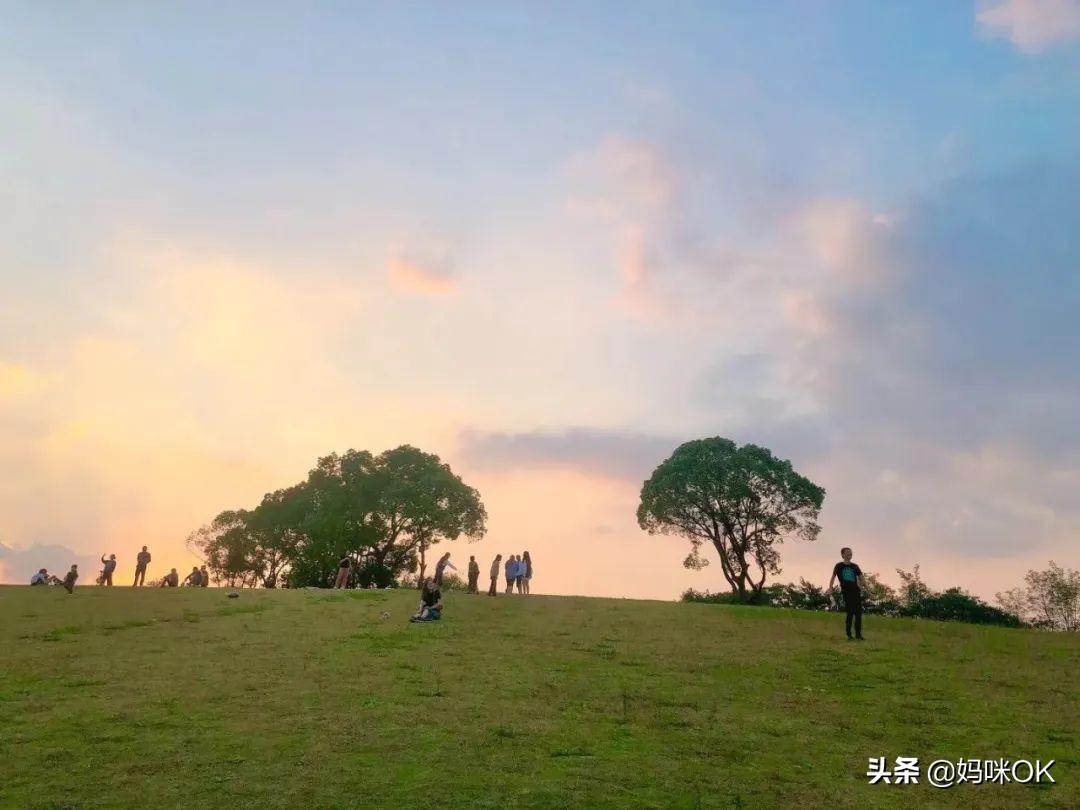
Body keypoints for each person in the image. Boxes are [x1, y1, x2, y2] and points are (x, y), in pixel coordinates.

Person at [828, 547, 866, 640]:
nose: (850, 554)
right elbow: (833, 577)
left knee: (858, 613)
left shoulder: (855, 566)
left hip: (856, 591)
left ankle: (858, 635)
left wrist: (864, 586)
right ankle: (849, 634)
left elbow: (861, 577)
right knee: (850, 612)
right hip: (846, 592)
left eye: (851, 553)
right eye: (847, 553)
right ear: (843, 555)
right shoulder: (839, 566)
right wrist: (831, 587)